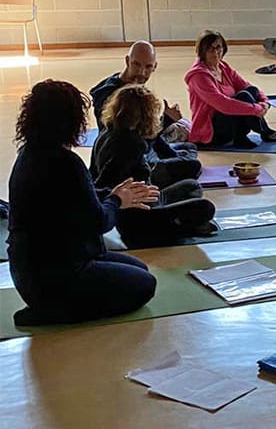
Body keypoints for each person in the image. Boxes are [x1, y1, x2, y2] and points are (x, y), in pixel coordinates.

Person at [6, 80, 159, 326]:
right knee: (146, 285)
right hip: (58, 276)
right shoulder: (66, 163)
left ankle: (49, 304)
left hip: (30, 271)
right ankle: (51, 311)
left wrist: (116, 193)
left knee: (140, 269)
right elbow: (99, 222)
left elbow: (78, 198)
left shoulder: (29, 154)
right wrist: (117, 200)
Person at [91, 84, 216, 248]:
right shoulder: (129, 144)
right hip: (137, 216)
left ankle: (178, 223)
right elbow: (105, 180)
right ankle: (168, 229)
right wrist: (116, 200)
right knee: (205, 208)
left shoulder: (109, 131)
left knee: (191, 186)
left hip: (147, 199)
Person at [90, 40, 199, 188]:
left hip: (141, 151)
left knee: (190, 148)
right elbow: (133, 141)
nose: (141, 72)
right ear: (127, 61)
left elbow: (146, 135)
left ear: (154, 67)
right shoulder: (111, 95)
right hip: (130, 161)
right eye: (136, 65)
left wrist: (172, 155)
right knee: (192, 167)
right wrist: (166, 121)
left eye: (148, 67)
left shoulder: (132, 88)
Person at [185, 30, 276, 148]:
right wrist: (256, 109)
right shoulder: (199, 76)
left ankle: (251, 135)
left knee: (251, 91)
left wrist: (265, 103)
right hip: (210, 133)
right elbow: (223, 105)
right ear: (202, 51)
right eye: (210, 49)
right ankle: (264, 132)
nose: (215, 52)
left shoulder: (223, 67)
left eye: (218, 47)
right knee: (243, 96)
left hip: (229, 123)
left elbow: (247, 85)